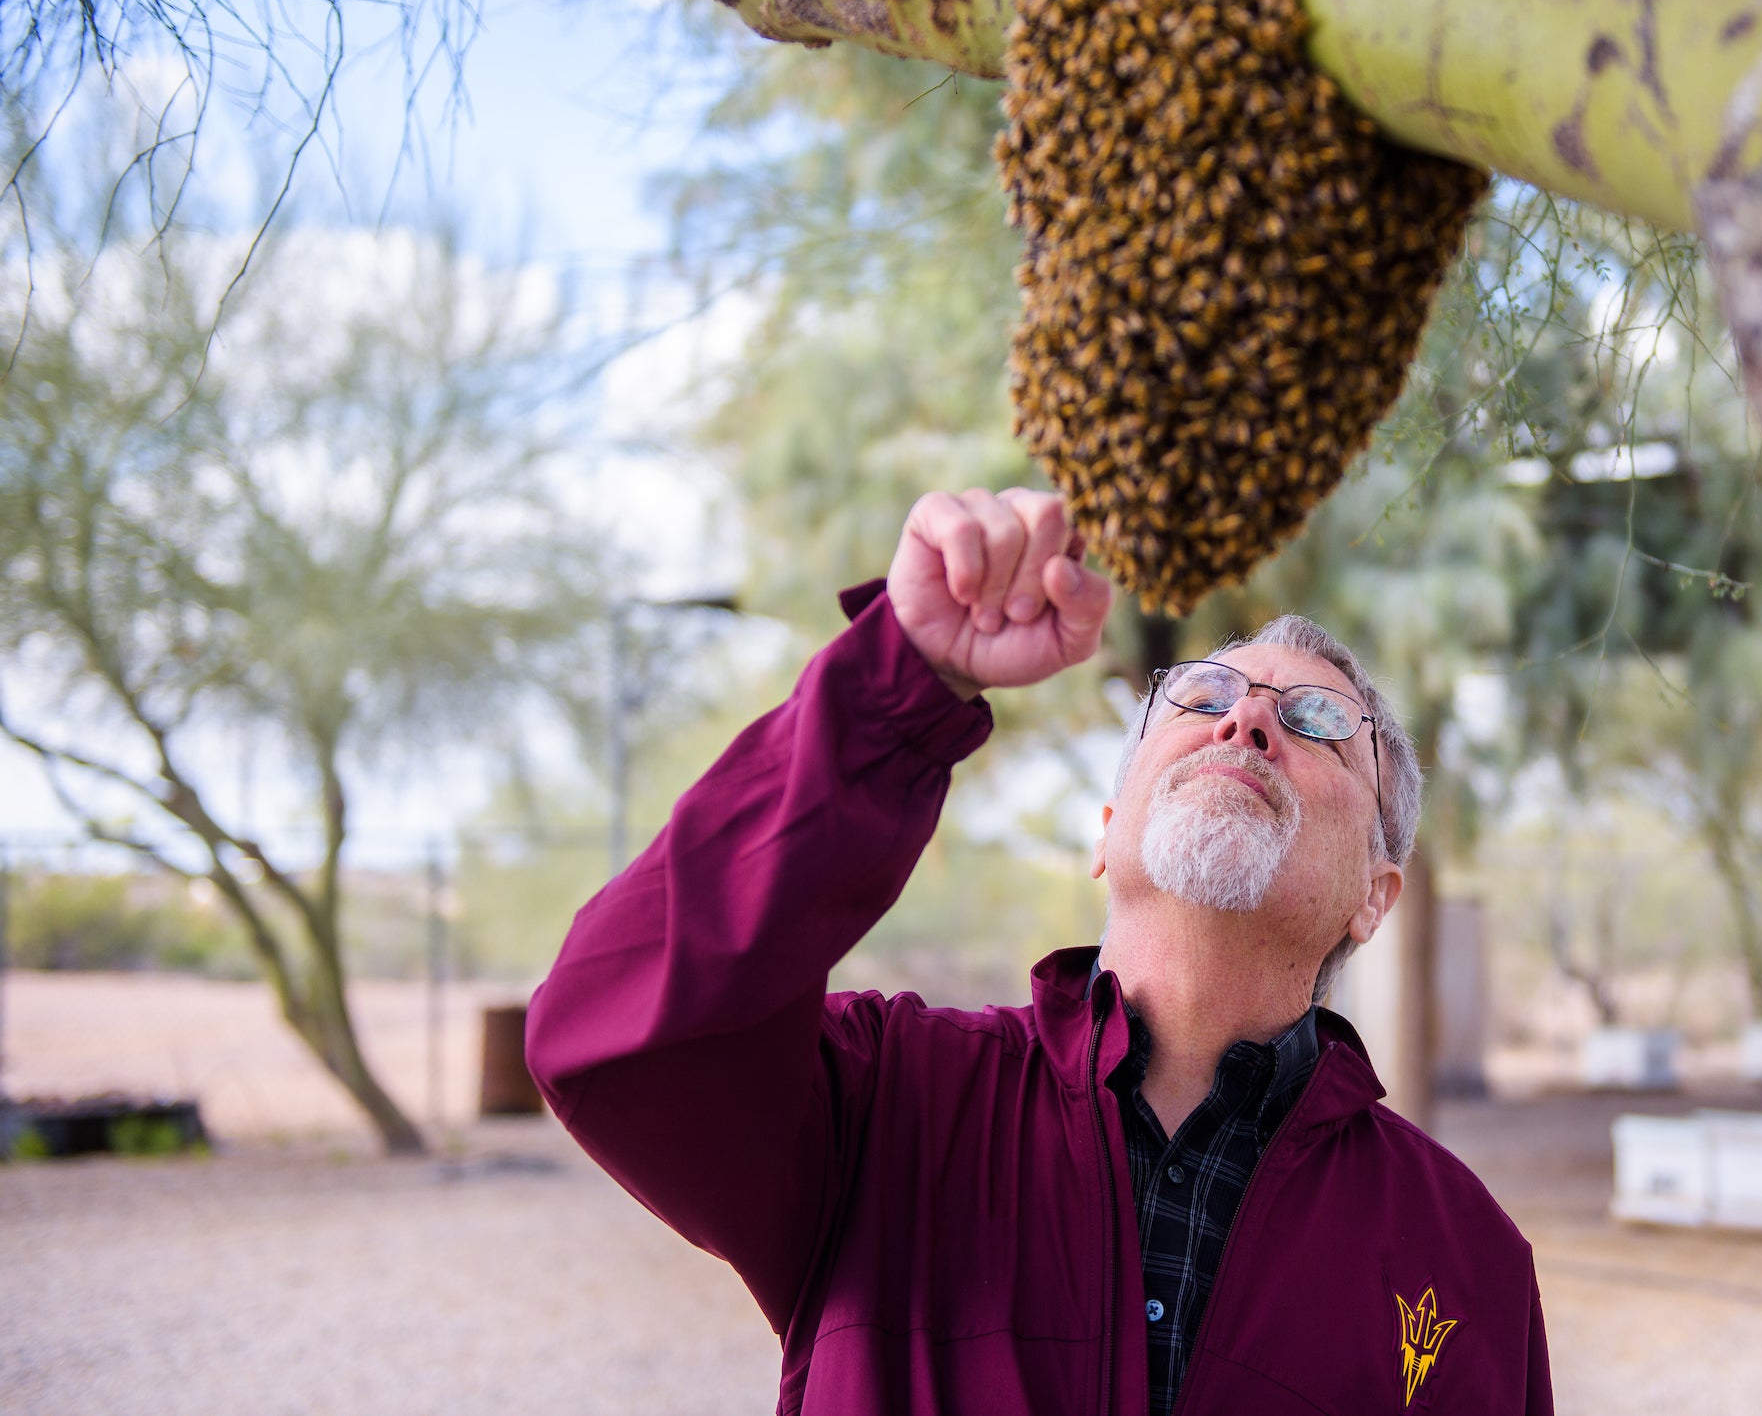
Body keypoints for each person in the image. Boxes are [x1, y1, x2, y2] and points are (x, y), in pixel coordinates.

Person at [526, 487, 1552, 1416]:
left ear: (1374, 898)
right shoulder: (885, 1105)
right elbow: (613, 1042)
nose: (1243, 718)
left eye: (1321, 720)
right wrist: (903, 684)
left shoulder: (1466, 1260)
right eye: (1197, 698)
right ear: (1108, 832)